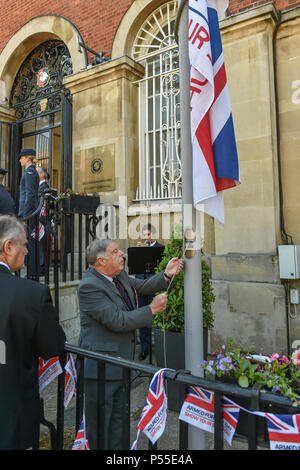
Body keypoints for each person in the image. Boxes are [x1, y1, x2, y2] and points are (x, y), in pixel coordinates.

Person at [78, 238, 183, 450]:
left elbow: (142, 286)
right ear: (100, 261)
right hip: (102, 369)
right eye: (115, 252)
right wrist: (151, 310)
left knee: (119, 423)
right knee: (100, 428)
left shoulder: (118, 275)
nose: (122, 255)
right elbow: (119, 321)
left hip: (121, 364)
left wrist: (166, 275)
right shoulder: (89, 287)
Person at [0, 215, 66, 450]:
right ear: (8, 246)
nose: (28, 251)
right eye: (25, 244)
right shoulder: (32, 294)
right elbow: (53, 345)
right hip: (11, 419)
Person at [136, 223, 164, 361]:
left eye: (149, 234)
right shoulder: (139, 248)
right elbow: (135, 269)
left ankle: (159, 349)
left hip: (154, 288)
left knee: (157, 319)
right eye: (144, 235)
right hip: (142, 288)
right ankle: (144, 348)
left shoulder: (161, 249)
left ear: (153, 235)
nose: (146, 237)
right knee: (142, 318)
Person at [18, 148, 39, 219]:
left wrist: (26, 216)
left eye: (21, 158)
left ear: (27, 159)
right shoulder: (30, 171)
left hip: (28, 213)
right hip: (28, 212)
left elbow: (30, 194)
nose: (19, 160)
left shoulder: (30, 172)